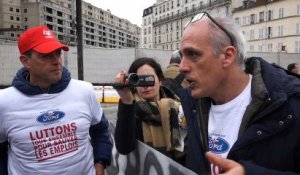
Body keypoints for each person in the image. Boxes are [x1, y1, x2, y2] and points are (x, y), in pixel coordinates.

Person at [178, 12, 300, 175]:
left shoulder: (291, 105)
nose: (182, 67)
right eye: (181, 56)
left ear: (227, 56)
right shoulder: (193, 105)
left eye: (193, 54)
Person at [0, 26, 113, 175]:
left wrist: (100, 165)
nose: (56, 61)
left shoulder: (84, 91)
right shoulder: (4, 102)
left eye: (57, 53)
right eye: (45, 56)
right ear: (26, 61)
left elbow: (100, 131)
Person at [114, 57, 186, 165]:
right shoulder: (130, 110)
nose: (146, 86)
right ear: (133, 83)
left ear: (160, 80)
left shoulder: (178, 106)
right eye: (140, 80)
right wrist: (126, 101)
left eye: (149, 79)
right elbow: (124, 148)